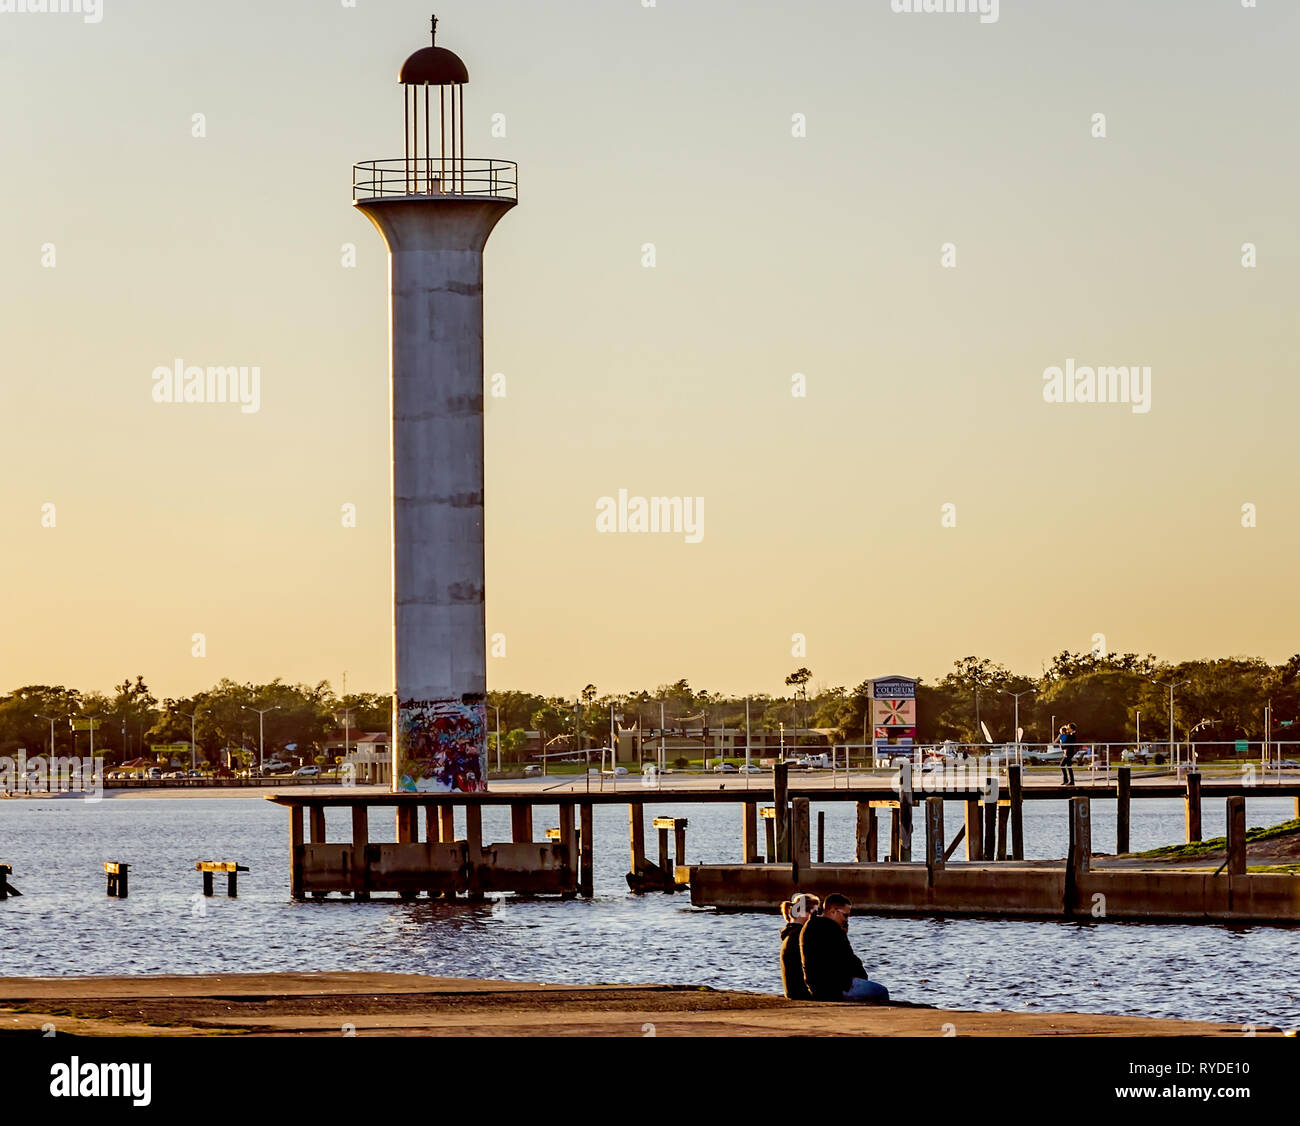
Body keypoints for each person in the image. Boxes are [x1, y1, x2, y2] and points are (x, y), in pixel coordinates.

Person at [799, 893, 889, 1003]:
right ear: (832, 911)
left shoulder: (809, 926)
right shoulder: (833, 930)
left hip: (817, 988)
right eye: (845, 915)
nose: (846, 920)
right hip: (836, 989)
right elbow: (851, 962)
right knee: (882, 991)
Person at [779, 893, 820, 1000]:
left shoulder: (790, 933)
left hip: (793, 991)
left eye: (817, 913)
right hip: (802, 993)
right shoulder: (800, 936)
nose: (815, 917)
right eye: (812, 912)